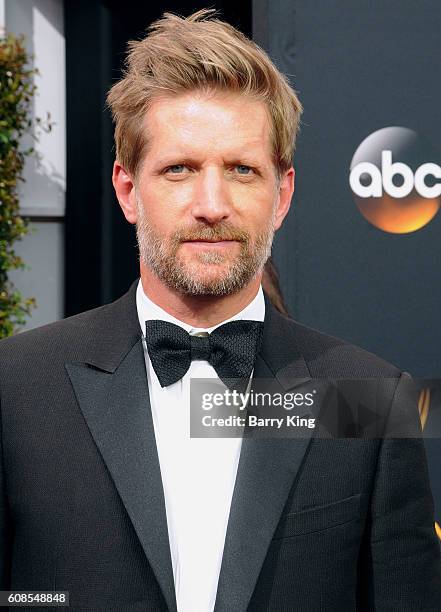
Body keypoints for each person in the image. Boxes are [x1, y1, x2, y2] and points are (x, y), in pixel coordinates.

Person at [0, 9, 440, 611]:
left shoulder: (367, 396)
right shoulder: (17, 386)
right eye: (179, 169)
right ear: (129, 190)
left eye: (241, 170)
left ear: (282, 194)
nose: (212, 205)